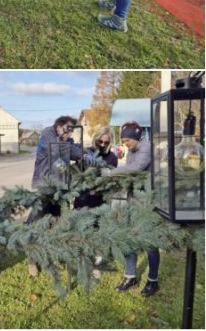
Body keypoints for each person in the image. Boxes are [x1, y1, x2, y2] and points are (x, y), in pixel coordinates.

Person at [26, 115, 85, 276]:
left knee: (57, 222)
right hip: (44, 186)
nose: (71, 134)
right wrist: (75, 148)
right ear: (59, 127)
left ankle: (54, 256)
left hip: (60, 188)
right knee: (38, 223)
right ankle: (32, 260)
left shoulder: (66, 140)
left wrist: (79, 150)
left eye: (73, 131)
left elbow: (76, 152)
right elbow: (60, 150)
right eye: (68, 130)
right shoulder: (47, 134)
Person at [111, 121, 160, 297]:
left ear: (136, 137)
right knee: (130, 238)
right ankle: (130, 276)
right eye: (123, 140)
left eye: (127, 140)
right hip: (134, 200)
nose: (125, 143)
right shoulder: (131, 150)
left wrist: (111, 172)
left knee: (149, 242)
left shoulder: (146, 148)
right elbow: (130, 175)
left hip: (148, 201)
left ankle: (153, 281)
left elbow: (135, 168)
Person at [73, 126, 119, 209]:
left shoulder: (112, 158)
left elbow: (110, 181)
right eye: (100, 141)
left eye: (106, 143)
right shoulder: (85, 152)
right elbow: (76, 174)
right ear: (95, 138)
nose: (102, 144)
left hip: (100, 201)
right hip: (82, 197)